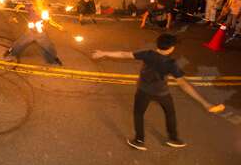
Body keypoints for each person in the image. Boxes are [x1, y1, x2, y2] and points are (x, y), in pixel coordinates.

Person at [92, 34, 225, 151]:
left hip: (143, 91)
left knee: (138, 114)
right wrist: (205, 103)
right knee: (170, 114)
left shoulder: (147, 54)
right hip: (162, 93)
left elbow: (124, 54)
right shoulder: (171, 64)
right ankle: (173, 138)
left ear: (158, 45)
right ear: (171, 48)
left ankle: (139, 141)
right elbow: (184, 85)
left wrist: (103, 52)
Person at [4, 0, 63, 65]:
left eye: (38, 1)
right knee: (20, 43)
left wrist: (58, 26)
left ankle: (53, 60)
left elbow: (50, 21)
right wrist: (18, 6)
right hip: (30, 32)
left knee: (48, 46)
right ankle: (10, 54)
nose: (37, 3)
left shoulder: (45, 11)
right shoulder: (32, 7)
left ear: (42, 0)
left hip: (40, 33)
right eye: (36, 1)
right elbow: (23, 5)